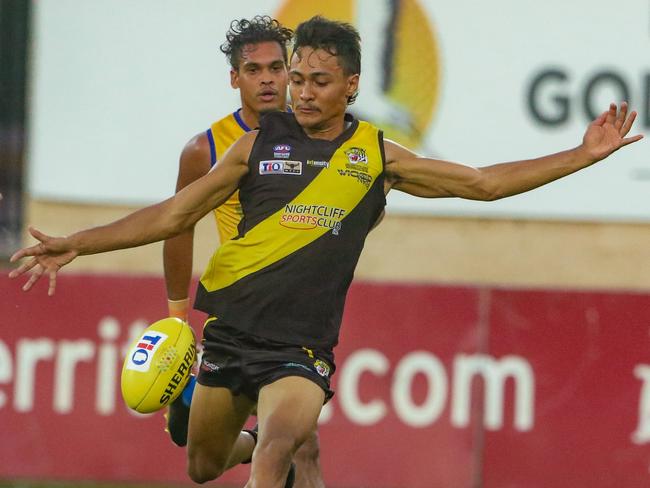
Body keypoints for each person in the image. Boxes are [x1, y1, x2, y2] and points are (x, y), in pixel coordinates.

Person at [9, 15, 643, 488]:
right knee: (202, 465)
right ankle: (248, 437)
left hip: (301, 351)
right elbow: (175, 214)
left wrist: (582, 156)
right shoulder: (252, 147)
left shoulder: (376, 156)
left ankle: (267, 445)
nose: (302, 92)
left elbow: (484, 184)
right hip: (230, 336)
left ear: (351, 85)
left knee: (277, 449)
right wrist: (76, 244)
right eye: (297, 79)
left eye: (319, 81)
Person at [161, 15, 324, 488]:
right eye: (254, 70)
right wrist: (176, 320)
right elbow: (178, 226)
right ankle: (246, 442)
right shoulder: (205, 149)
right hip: (233, 314)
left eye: (277, 68)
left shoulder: (319, 137)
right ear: (235, 78)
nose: (269, 79)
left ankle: (267, 455)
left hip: (296, 319)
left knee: (302, 441)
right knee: (200, 461)